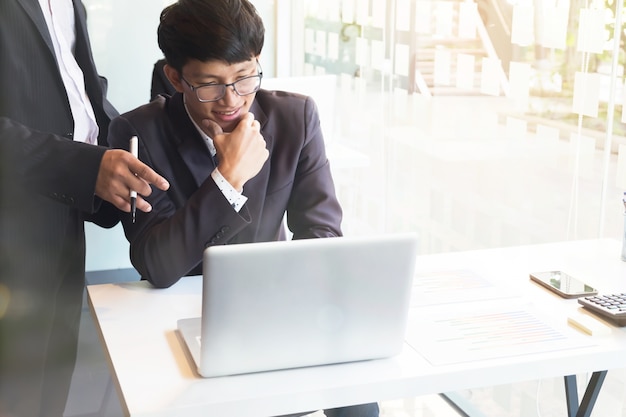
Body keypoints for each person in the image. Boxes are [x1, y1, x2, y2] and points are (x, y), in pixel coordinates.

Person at [107, 0, 379, 415]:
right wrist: (227, 179)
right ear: (176, 78)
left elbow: (322, 235)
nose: (231, 100)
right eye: (210, 83)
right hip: (181, 321)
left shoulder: (295, 117)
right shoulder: (137, 133)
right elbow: (157, 264)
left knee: (358, 395)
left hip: (274, 306)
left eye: (244, 77)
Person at [0, 1, 169, 416]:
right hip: (10, 228)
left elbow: (77, 92)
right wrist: (84, 166)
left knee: (49, 388)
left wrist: (137, 146)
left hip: (63, 220)